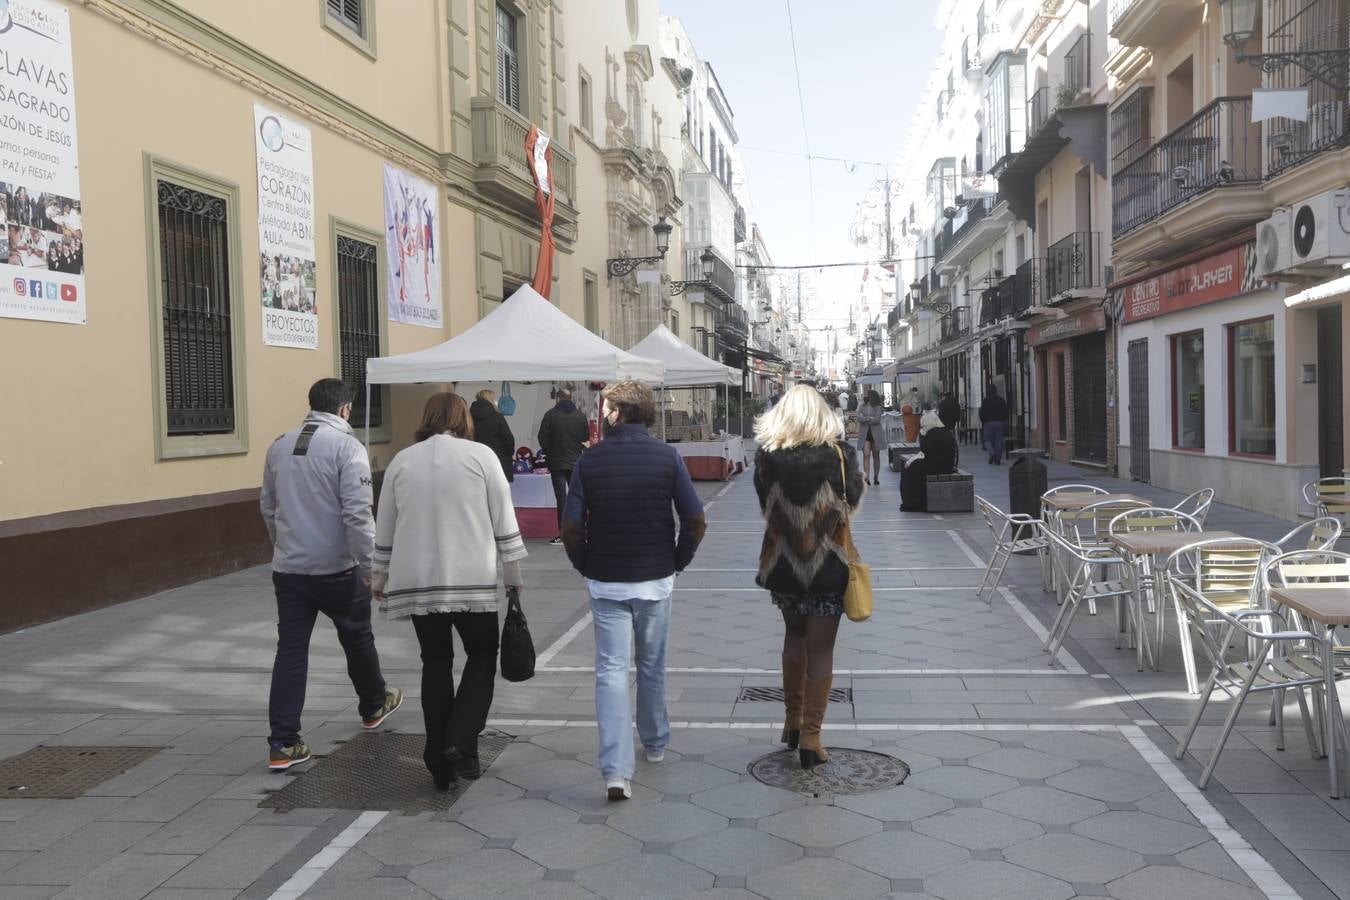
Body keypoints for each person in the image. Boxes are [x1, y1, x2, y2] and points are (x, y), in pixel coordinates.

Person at [372, 392, 527, 790]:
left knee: (436, 662)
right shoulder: (481, 457)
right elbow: (503, 519)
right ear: (464, 419)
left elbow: (384, 524)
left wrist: (378, 575)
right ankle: (460, 740)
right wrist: (513, 575)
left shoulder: (402, 461)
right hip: (471, 579)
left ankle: (438, 761)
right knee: (480, 656)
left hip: (419, 582)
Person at [561, 378, 706, 801]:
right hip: (655, 578)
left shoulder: (590, 461)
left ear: (618, 413)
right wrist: (676, 561)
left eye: (605, 409)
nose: (600, 416)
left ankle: (615, 771)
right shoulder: (668, 457)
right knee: (651, 664)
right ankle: (655, 740)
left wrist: (585, 563)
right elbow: (695, 520)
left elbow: (571, 527)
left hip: (606, 580)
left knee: (609, 671)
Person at [259, 378, 403, 772]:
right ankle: (373, 703)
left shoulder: (279, 444)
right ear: (344, 410)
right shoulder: (347, 447)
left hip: (289, 569)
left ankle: (283, 741)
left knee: (290, 651)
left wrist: (283, 545)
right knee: (357, 636)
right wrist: (372, 568)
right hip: (335, 567)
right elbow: (358, 515)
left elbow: (267, 506)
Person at [753, 385, 864, 769]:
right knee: (821, 650)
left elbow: (763, 506)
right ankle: (812, 738)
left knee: (792, 637)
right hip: (826, 567)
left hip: (783, 566)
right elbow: (853, 500)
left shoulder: (767, 457)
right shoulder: (840, 455)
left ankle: (792, 720)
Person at [538, 387, 590, 544]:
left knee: (562, 499)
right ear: (570, 398)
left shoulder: (550, 415)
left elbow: (542, 438)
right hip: (575, 461)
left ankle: (563, 534)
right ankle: (582, 532)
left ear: (558, 399)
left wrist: (550, 451)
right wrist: (577, 450)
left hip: (557, 463)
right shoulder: (580, 416)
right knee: (578, 498)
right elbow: (585, 438)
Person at [899, 410, 960, 512]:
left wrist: (922, 435)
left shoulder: (932, 434)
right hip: (946, 466)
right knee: (915, 466)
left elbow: (924, 450)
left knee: (911, 469)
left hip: (936, 466)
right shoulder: (946, 432)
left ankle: (912, 501)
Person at [470, 388, 516, 483]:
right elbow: (508, 439)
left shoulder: (468, 417)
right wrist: (509, 453)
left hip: (475, 461)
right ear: (491, 399)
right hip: (497, 460)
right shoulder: (497, 416)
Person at [856, 390, 885, 486]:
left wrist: (865, 418)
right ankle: (866, 477)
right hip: (865, 434)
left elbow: (877, 420)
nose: (866, 396)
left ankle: (876, 477)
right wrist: (869, 418)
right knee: (866, 455)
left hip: (876, 434)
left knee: (876, 456)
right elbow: (859, 418)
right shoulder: (862, 406)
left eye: (868, 395)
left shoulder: (877, 407)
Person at [980, 384, 1010, 465]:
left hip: (989, 423)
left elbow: (982, 412)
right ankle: (997, 460)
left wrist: (984, 421)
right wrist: (1004, 421)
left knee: (987, 440)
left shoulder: (985, 401)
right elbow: (1006, 412)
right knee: (999, 441)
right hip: (1000, 423)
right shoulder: (1001, 400)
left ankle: (992, 453)